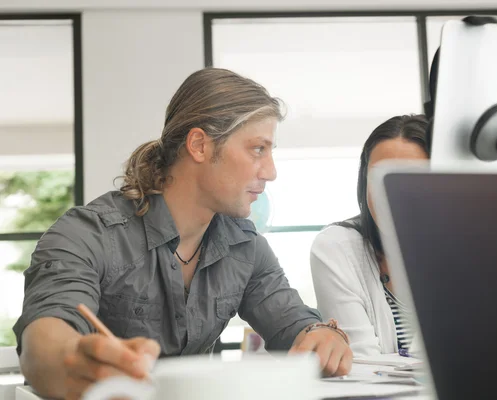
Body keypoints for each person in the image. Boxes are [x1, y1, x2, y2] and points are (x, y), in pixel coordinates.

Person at [13, 68, 352, 400]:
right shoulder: (86, 234)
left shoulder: (246, 247)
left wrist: (321, 336)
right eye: (258, 149)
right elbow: (46, 341)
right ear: (200, 145)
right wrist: (69, 362)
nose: (271, 171)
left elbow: (292, 324)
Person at [310, 114, 429, 358]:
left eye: (411, 180)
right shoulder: (336, 248)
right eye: (378, 178)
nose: (392, 195)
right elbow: (362, 364)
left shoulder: (469, 251)